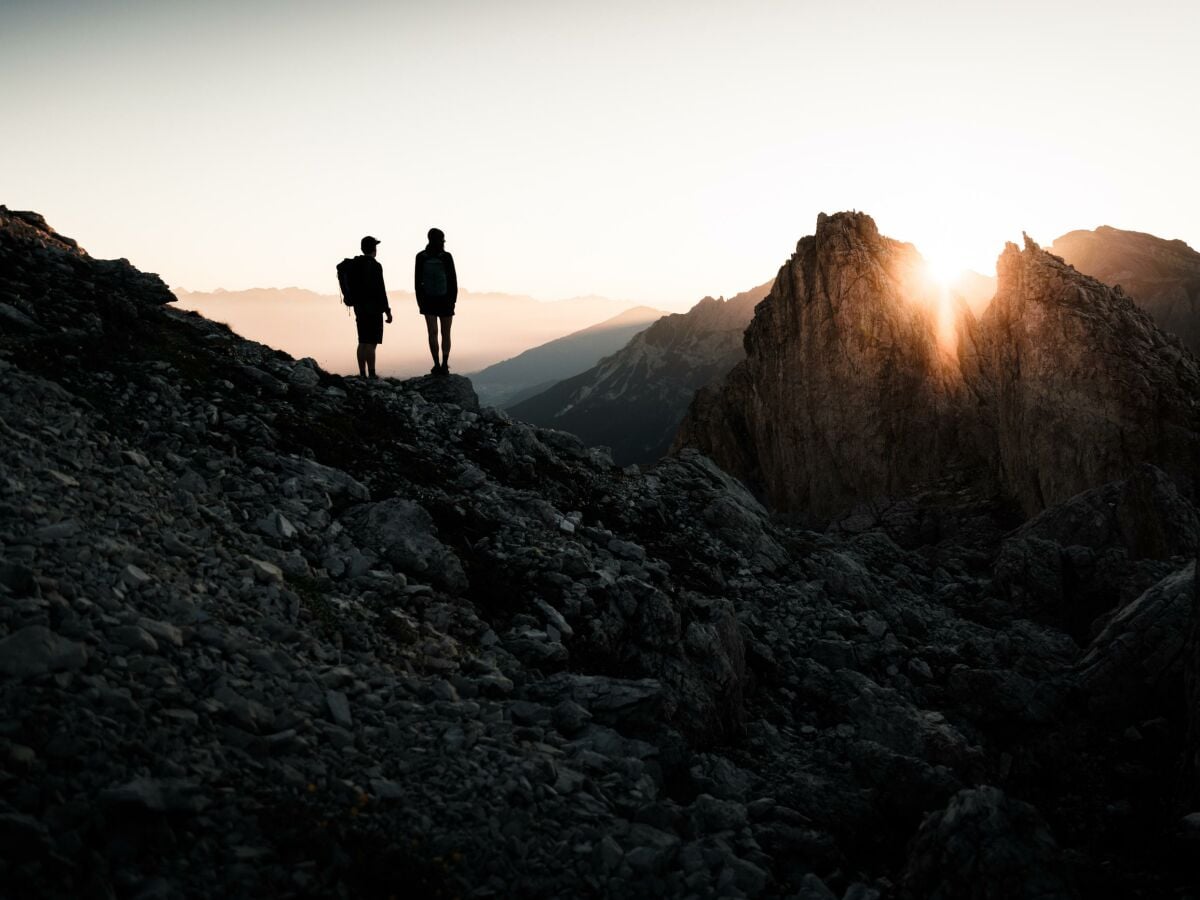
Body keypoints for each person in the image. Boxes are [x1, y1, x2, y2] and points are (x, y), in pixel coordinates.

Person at [414, 227, 458, 376]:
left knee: (432, 333)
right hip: (445, 300)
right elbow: (453, 279)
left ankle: (436, 365)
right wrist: (453, 300)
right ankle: (444, 364)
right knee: (446, 333)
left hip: (428, 301)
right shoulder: (446, 256)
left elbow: (417, 281)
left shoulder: (421, 256)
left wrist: (420, 302)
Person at [351, 235, 392, 378]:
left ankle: (362, 373)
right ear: (374, 248)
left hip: (359, 308)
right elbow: (381, 290)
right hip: (373, 309)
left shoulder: (355, 265)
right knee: (371, 343)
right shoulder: (375, 266)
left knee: (362, 341)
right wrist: (387, 311)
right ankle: (372, 374)